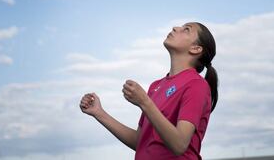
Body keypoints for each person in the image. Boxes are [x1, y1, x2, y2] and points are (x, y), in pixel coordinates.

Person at [79, 22, 219, 159]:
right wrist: (99, 113)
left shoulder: (196, 84)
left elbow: (179, 145)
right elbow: (139, 142)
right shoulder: (155, 86)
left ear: (195, 49)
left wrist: (144, 102)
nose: (175, 28)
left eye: (186, 29)